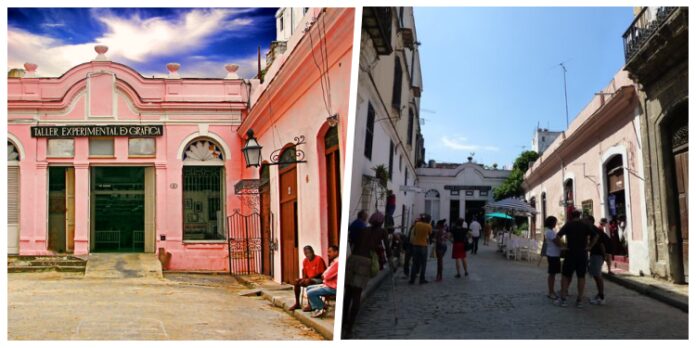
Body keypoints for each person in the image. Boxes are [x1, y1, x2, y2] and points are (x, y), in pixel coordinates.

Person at [343, 211, 390, 336]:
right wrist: (390, 260)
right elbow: (387, 247)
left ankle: (344, 322)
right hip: (365, 262)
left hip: (353, 259)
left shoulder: (364, 230)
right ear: (381, 222)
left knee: (348, 292)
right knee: (357, 294)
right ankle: (349, 328)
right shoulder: (382, 232)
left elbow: (353, 241)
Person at [554, 210, 599, 308]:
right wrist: (589, 246)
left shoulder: (568, 225)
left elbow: (557, 236)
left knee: (565, 276)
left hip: (570, 253)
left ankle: (563, 299)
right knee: (581, 277)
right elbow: (596, 235)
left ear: (571, 216)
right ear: (579, 216)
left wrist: (562, 246)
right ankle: (579, 300)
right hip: (582, 254)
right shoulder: (584, 225)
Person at [289, 246, 327, 311]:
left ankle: (311, 305)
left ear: (313, 252)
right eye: (306, 253)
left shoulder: (318, 259)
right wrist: (303, 279)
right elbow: (304, 272)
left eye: (309, 252)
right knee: (296, 281)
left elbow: (321, 274)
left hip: (319, 279)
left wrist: (309, 279)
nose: (308, 254)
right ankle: (297, 303)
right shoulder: (305, 261)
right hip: (310, 279)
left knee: (308, 282)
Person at [306, 245, 339, 318]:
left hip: (333, 287)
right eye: (327, 252)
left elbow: (326, 275)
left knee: (310, 292)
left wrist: (325, 276)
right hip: (328, 284)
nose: (328, 254)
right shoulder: (334, 261)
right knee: (309, 288)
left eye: (330, 252)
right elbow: (325, 273)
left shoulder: (337, 262)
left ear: (336, 252)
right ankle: (318, 307)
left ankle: (322, 308)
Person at [587, 216, 610, 305]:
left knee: (597, 276)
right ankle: (599, 294)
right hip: (595, 255)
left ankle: (601, 297)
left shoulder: (595, 231)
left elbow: (601, 245)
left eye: (586, 221)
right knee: (596, 276)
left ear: (590, 222)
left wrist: (604, 256)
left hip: (597, 255)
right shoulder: (593, 230)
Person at [409, 214, 432, 284]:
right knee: (423, 263)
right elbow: (430, 235)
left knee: (415, 263)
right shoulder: (429, 226)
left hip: (415, 245)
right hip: (423, 246)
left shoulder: (417, 224)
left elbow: (415, 233)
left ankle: (412, 279)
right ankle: (422, 279)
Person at [543, 216, 561, 300]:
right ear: (551, 223)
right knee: (552, 274)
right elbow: (557, 242)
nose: (555, 223)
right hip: (553, 255)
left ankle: (552, 291)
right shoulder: (550, 232)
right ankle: (551, 292)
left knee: (552, 274)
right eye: (555, 222)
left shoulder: (549, 231)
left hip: (553, 254)